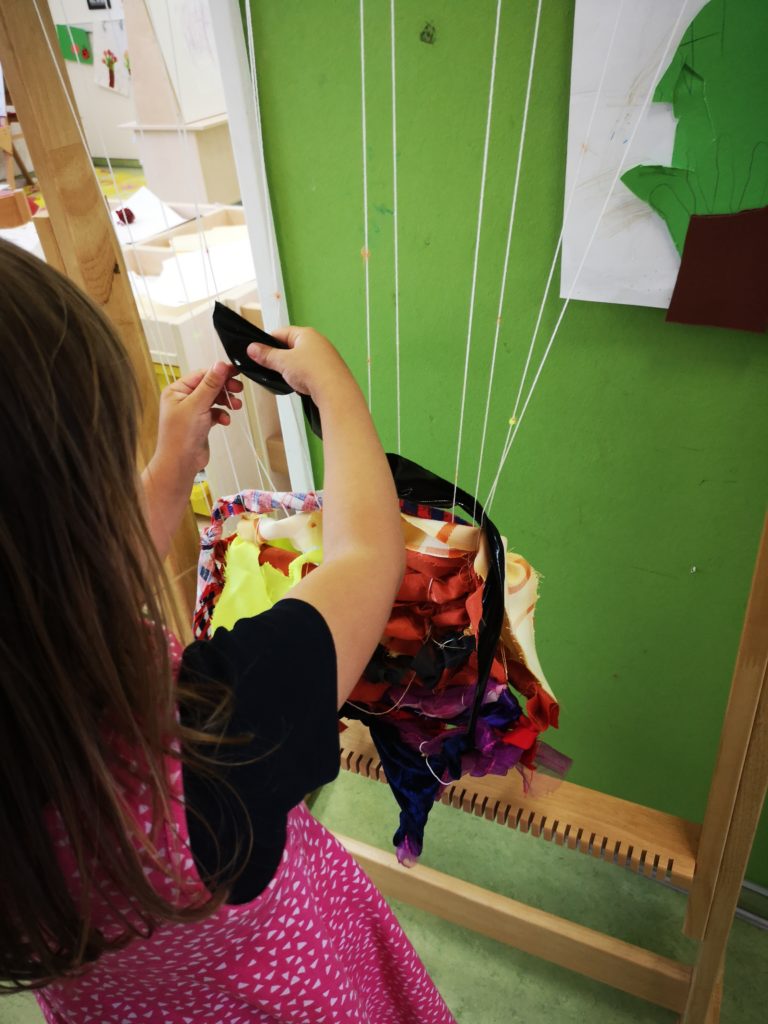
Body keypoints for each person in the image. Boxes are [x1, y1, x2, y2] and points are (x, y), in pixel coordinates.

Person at [0, 237, 456, 1023]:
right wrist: (334, 390)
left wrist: (170, 471)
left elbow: (45, 599)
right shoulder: (212, 735)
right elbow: (365, 557)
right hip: (294, 987)